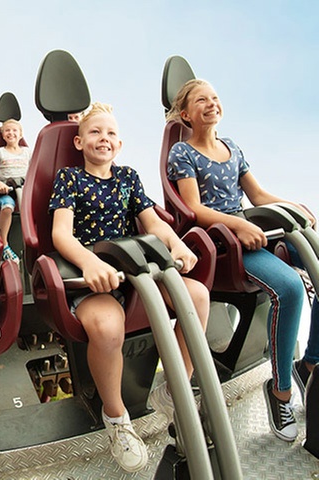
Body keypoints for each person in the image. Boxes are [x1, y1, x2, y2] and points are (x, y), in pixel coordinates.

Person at [51, 102, 210, 473]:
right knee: (107, 330)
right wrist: (90, 262)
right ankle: (116, 417)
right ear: (78, 141)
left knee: (198, 297)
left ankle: (174, 388)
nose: (103, 139)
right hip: (94, 279)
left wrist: (178, 245)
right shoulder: (69, 179)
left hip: (136, 273)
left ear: (119, 144)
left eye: (110, 134)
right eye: (94, 132)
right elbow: (61, 233)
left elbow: (153, 223)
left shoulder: (127, 178)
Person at [166, 78, 318, 443]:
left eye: (215, 97)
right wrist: (237, 224)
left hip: (249, 230)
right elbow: (195, 210)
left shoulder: (231, 147)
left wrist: (293, 207)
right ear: (186, 114)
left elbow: (258, 194)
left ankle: (309, 362)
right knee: (290, 289)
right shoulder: (182, 154)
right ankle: (280, 393)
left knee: (314, 256)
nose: (211, 103)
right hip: (221, 245)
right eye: (201, 100)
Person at [0, 119, 31, 263]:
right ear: (3, 135)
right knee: (7, 206)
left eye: (14, 130)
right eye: (7, 131)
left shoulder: (27, 152)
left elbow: (34, 171)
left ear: (21, 134)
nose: (11, 133)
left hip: (24, 187)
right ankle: (5, 244)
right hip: (6, 189)